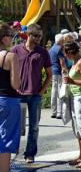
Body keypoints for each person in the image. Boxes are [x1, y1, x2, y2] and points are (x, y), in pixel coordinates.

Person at [11, 24, 52, 163]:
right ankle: (12, 154)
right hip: (19, 94)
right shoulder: (16, 50)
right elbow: (8, 70)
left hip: (35, 95)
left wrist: (42, 91)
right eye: (36, 36)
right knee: (16, 126)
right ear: (28, 35)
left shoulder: (42, 52)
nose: (39, 39)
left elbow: (49, 74)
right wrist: (13, 87)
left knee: (34, 127)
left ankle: (30, 154)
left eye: (40, 36)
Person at [0, 23, 21, 172]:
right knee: (5, 142)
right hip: (8, 100)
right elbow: (15, 84)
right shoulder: (10, 56)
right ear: (4, 37)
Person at [49, 33, 65, 119]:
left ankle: (53, 111)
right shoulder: (59, 49)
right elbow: (62, 61)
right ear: (61, 41)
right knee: (59, 92)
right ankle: (59, 112)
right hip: (58, 71)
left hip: (52, 71)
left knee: (53, 91)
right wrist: (65, 70)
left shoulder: (51, 49)